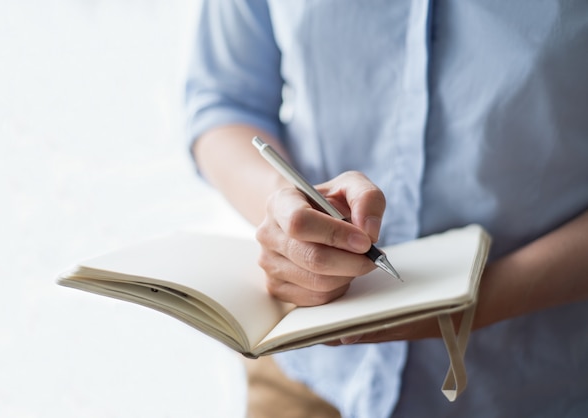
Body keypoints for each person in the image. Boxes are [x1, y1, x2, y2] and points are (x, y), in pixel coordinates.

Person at [184, 1, 588, 417]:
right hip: (306, 377)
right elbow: (224, 102)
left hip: (527, 387)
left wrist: (487, 297)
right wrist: (289, 210)